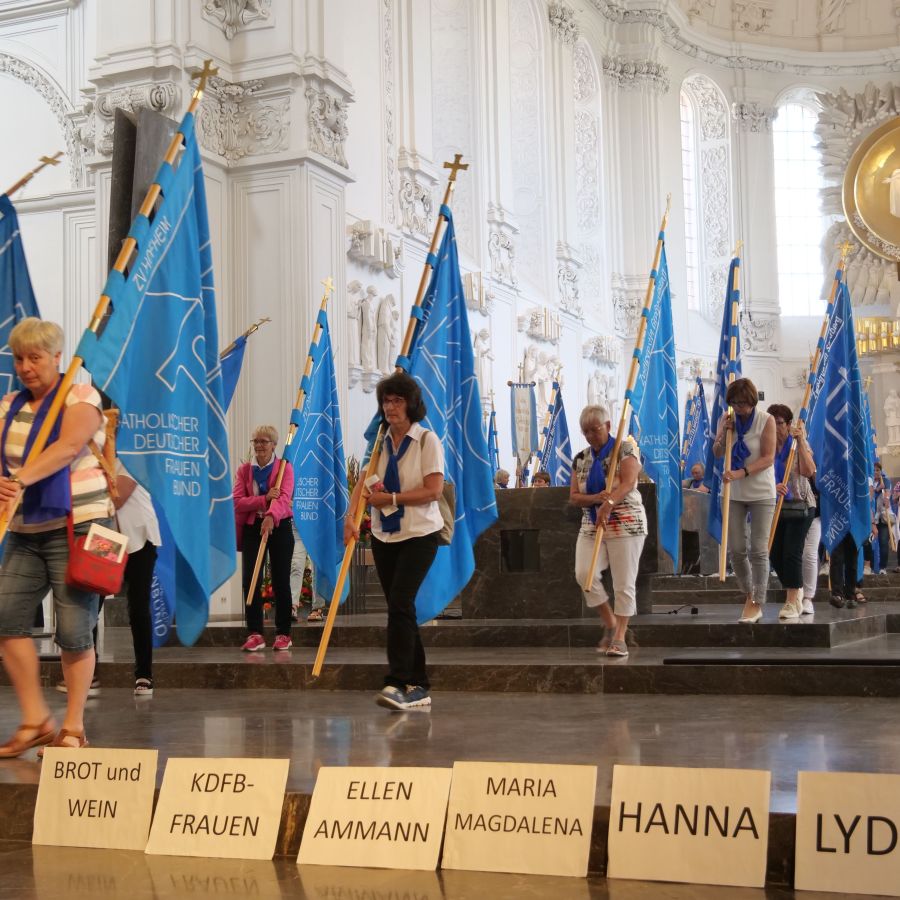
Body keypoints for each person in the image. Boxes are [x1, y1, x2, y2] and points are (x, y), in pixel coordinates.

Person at [0, 318, 115, 755]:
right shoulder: (8, 404)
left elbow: (68, 446)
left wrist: (19, 480)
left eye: (35, 357)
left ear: (56, 357)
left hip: (80, 526)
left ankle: (73, 728)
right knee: (5, 617)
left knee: (73, 629)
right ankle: (36, 720)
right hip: (25, 529)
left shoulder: (81, 395)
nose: (26, 367)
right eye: (19, 358)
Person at [344, 372, 444, 711]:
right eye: (386, 401)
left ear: (411, 404)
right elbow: (363, 483)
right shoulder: (378, 442)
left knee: (401, 602)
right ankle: (419, 684)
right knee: (401, 608)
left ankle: (397, 681)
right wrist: (350, 516)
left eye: (397, 401)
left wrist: (392, 499)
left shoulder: (427, 440)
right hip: (384, 534)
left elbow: (434, 491)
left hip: (420, 534)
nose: (390, 407)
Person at [570, 404, 646, 658]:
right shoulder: (581, 459)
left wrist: (609, 502)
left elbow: (628, 482)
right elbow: (574, 496)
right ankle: (609, 621)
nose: (591, 435)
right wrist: (596, 499)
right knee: (584, 574)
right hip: (592, 523)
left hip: (626, 521)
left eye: (595, 429)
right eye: (586, 432)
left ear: (608, 426)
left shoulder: (625, 449)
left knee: (624, 582)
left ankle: (620, 637)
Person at [712, 378, 776, 623]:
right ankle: (749, 594)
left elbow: (768, 458)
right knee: (736, 549)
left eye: (742, 404)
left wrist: (742, 472)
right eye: (734, 404)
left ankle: (757, 601)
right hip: (733, 493)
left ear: (752, 401)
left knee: (758, 549)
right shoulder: (727, 419)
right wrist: (722, 433)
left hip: (761, 492)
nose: (738, 408)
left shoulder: (766, 420)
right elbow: (717, 453)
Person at [233, 425, 295, 652]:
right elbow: (237, 502)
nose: (259, 445)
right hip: (253, 528)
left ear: (274, 445)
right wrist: (263, 499)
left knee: (281, 581)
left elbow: (284, 497)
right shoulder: (244, 471)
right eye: (256, 441)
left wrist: (270, 516)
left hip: (279, 527)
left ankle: (283, 633)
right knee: (250, 580)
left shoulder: (284, 468)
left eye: (264, 441)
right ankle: (255, 633)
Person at [114, 459, 161, 696]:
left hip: (140, 538)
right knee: (90, 603)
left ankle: (144, 674)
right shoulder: (93, 458)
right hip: (106, 535)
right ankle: (89, 674)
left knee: (138, 607)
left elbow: (117, 497)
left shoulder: (131, 456)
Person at [767, 404, 816, 620]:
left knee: (791, 551)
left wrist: (801, 441)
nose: (775, 427)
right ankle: (796, 588)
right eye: (771, 423)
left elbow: (809, 470)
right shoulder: (766, 446)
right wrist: (772, 487)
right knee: (774, 553)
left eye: (779, 423)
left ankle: (791, 600)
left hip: (801, 504)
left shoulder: (797, 444)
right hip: (775, 505)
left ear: (788, 425)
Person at [873, 463, 892, 575]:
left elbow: (887, 495)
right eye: (874, 470)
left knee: (883, 542)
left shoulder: (885, 481)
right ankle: (869, 566)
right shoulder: (868, 482)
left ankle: (882, 568)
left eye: (878, 470)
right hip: (871, 518)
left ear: (881, 471)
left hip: (882, 518)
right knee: (868, 542)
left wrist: (887, 497)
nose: (876, 472)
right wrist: (876, 489)